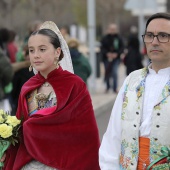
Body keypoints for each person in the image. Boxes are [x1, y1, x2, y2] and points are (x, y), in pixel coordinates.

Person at [2, 21, 100, 170]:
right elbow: (19, 131)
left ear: (57, 52)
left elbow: (86, 133)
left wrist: (33, 128)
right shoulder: (28, 87)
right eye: (31, 50)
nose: (36, 55)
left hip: (63, 163)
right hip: (30, 163)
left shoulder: (74, 85)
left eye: (42, 49)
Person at [99, 12, 170, 170]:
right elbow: (114, 134)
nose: (154, 42)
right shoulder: (132, 80)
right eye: (150, 35)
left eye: (163, 36)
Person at [100, 23, 124, 93]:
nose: (112, 31)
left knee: (114, 72)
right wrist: (107, 54)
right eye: (111, 29)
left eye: (114, 29)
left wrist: (117, 54)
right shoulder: (105, 38)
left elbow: (122, 48)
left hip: (116, 59)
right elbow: (102, 48)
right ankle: (107, 87)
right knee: (107, 72)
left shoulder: (119, 38)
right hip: (106, 58)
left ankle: (115, 88)